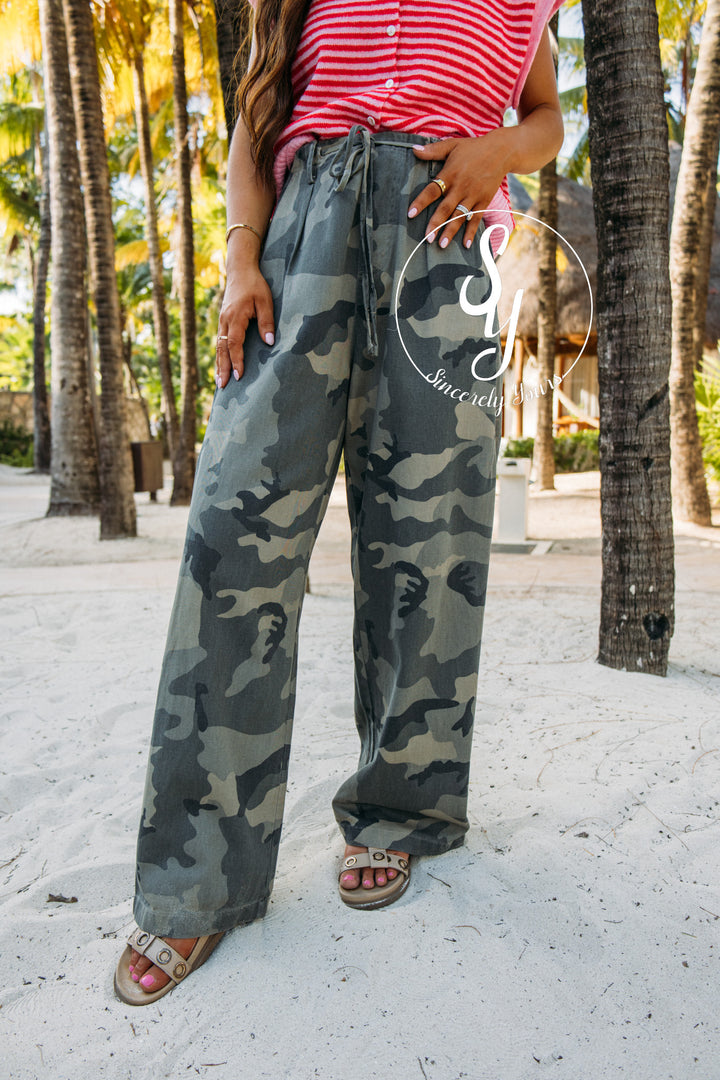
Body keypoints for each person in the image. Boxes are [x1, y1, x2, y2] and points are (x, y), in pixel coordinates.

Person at [114, 0, 564, 1005]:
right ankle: (196, 881)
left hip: (443, 254)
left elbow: (547, 116)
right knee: (233, 543)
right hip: (302, 239)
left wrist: (495, 155)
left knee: (430, 543)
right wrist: (239, 257)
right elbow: (257, 124)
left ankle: (400, 813)